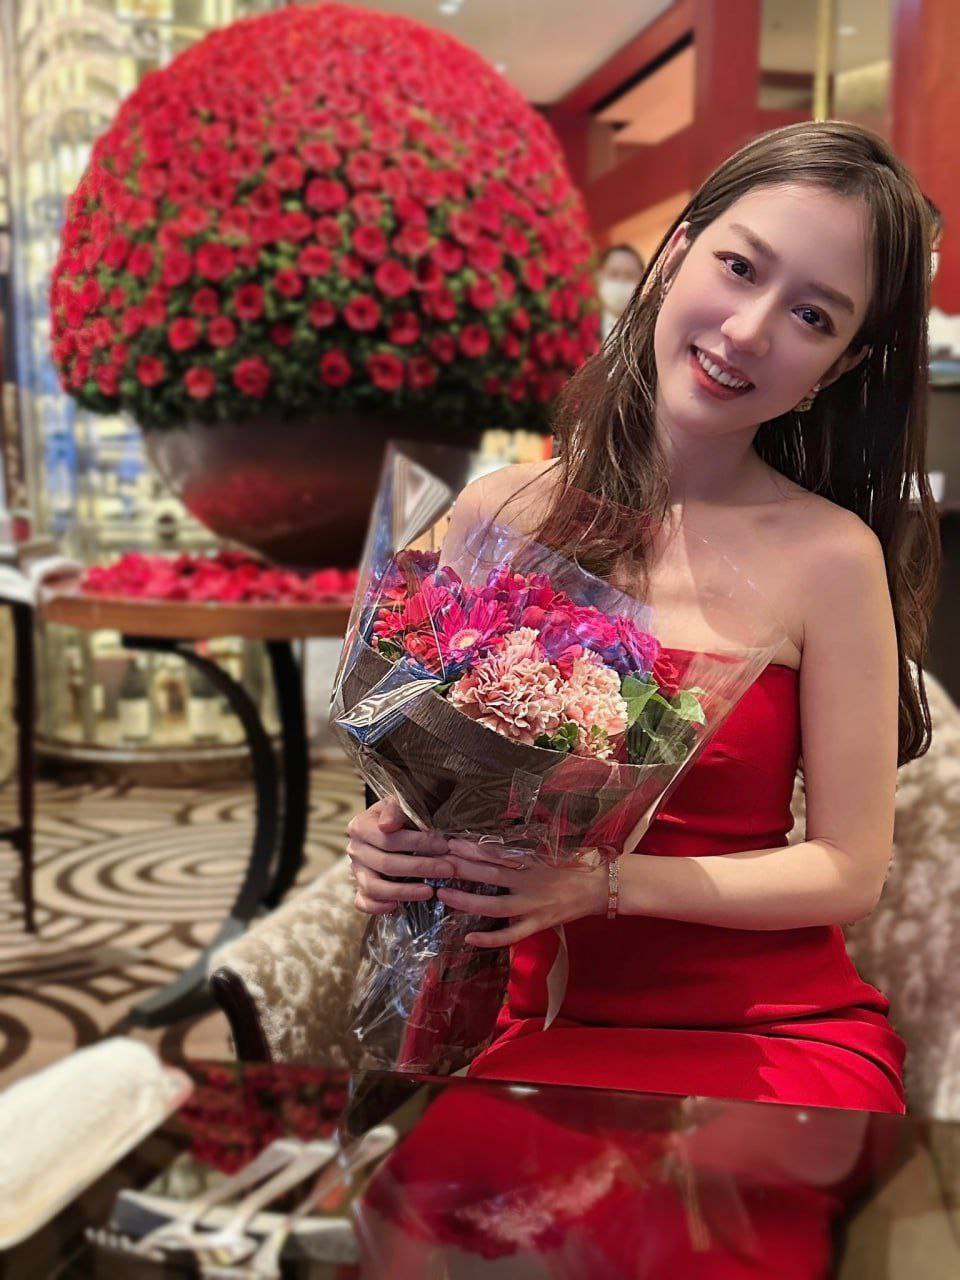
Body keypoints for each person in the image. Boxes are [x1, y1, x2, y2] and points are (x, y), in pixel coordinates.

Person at [346, 120, 941, 1115]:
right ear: (675, 256)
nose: (748, 331)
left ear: (838, 367)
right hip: (528, 1021)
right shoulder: (501, 514)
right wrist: (389, 836)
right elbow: (438, 770)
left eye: (811, 314)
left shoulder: (834, 558)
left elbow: (848, 870)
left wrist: (604, 884)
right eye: (739, 267)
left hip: (768, 1036)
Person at [597, 242, 645, 340]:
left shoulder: (651, 331)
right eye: (614, 274)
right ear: (600, 277)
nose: (621, 282)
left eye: (629, 275)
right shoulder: (580, 329)